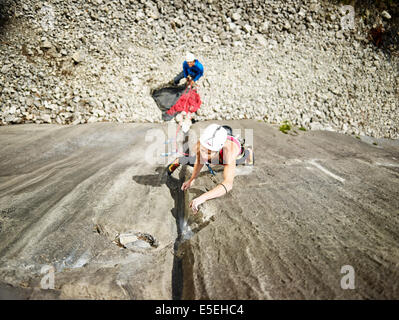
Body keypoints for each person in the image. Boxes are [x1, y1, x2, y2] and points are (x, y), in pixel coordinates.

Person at [166, 124, 254, 213]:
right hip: (218, 150)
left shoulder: (229, 153)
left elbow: (228, 184)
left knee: (239, 160)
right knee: (186, 159)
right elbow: (199, 161)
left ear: (218, 149)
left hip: (231, 151)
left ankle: (248, 151)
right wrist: (192, 179)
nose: (204, 155)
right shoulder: (201, 143)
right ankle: (168, 172)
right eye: (203, 150)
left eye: (209, 153)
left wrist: (203, 197)